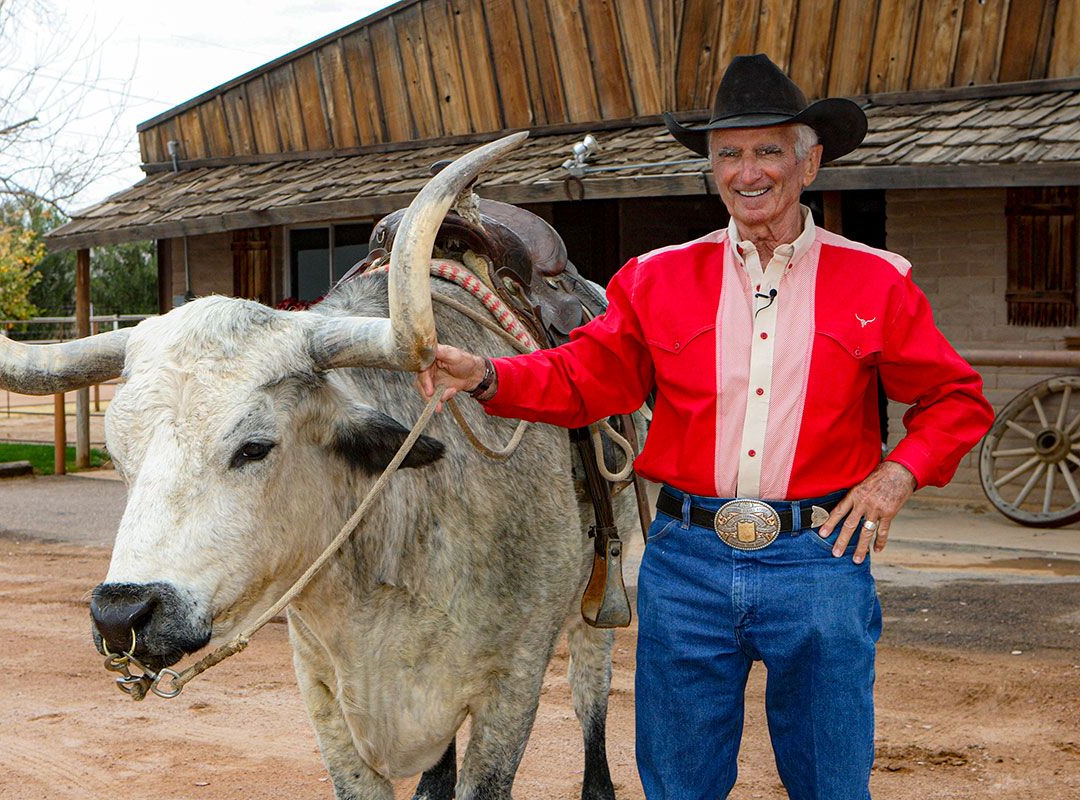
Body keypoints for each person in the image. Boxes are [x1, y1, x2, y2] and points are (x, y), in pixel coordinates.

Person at [417, 54, 994, 800]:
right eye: (729, 154)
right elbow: (584, 379)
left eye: (768, 151)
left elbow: (955, 399)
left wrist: (897, 474)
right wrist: (487, 374)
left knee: (832, 781)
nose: (748, 172)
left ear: (809, 161)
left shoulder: (877, 280)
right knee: (679, 783)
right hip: (685, 563)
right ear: (711, 171)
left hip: (817, 561)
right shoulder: (654, 278)